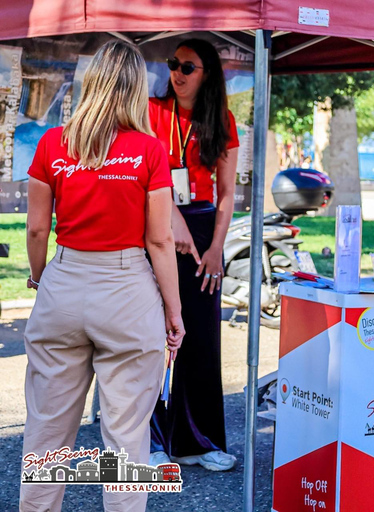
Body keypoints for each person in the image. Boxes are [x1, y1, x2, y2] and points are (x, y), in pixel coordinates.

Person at [20, 41, 184, 512]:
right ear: (136, 87)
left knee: (46, 433)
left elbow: (36, 228)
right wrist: (174, 312)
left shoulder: (53, 143)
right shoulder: (150, 150)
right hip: (127, 288)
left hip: (65, 281)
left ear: (89, 82)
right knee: (127, 440)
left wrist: (38, 278)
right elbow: (159, 242)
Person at [148, 39, 239, 472]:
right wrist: (171, 219)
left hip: (203, 231)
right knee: (150, 333)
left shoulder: (222, 120)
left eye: (188, 66)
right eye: (173, 64)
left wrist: (217, 247)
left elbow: (226, 193)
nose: (178, 73)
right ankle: (147, 438)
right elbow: (144, 177)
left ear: (208, 75)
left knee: (201, 336)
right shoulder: (149, 111)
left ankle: (198, 441)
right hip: (155, 222)